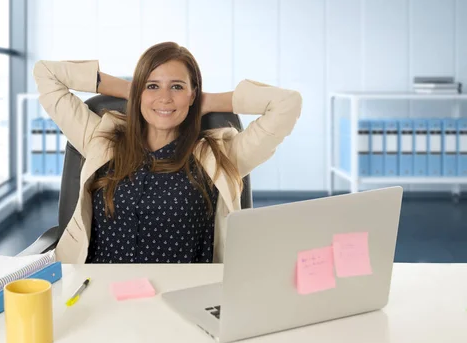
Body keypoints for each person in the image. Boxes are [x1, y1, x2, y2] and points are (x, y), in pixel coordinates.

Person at [33, 41, 302, 264]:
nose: (164, 98)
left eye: (177, 87)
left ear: (193, 94)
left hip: (182, 297)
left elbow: (287, 103)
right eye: (152, 86)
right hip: (97, 289)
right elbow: (46, 74)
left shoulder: (222, 155)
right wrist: (133, 89)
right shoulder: (101, 138)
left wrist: (209, 102)